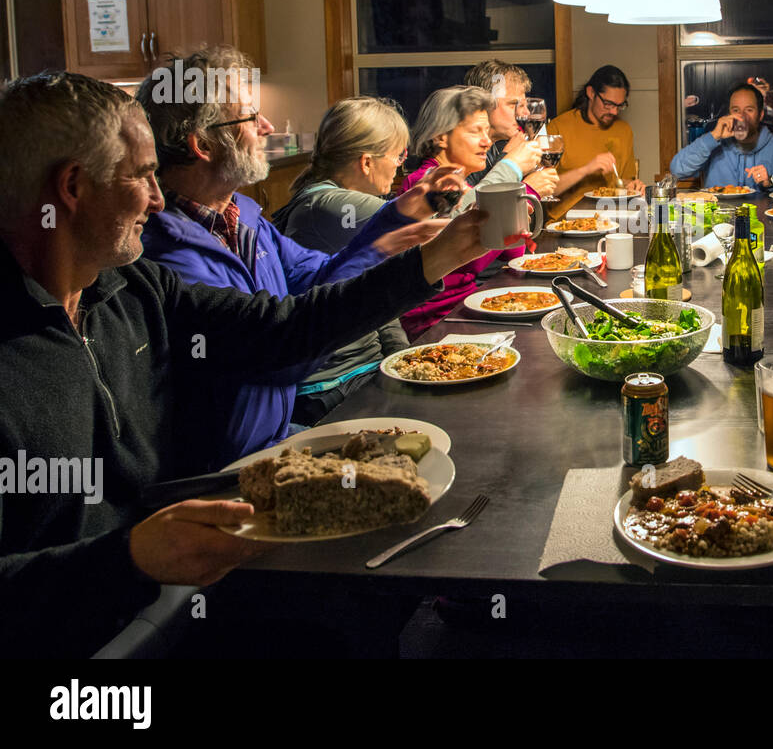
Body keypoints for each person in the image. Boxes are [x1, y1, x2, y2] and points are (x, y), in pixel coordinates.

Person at [0, 71, 493, 657]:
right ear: (73, 187)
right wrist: (128, 556)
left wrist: (434, 255)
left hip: (177, 583)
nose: (157, 200)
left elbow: (284, 328)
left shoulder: (130, 286)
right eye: (142, 174)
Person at [137, 49, 457, 467]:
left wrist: (392, 224)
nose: (267, 127)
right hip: (221, 473)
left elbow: (319, 278)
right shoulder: (164, 253)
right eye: (251, 119)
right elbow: (279, 355)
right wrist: (424, 260)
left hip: (276, 440)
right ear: (203, 144)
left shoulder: (244, 217)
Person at [272, 96, 458, 426]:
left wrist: (402, 359)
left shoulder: (325, 199)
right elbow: (446, 226)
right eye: (397, 155)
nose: (400, 167)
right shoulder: (331, 205)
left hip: (361, 370)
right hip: (330, 388)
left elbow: (377, 299)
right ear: (366, 162)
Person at [400, 85, 535, 339]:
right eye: (476, 132)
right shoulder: (423, 184)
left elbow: (513, 252)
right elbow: (457, 257)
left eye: (487, 131)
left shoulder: (466, 185)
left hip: (467, 310)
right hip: (434, 325)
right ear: (440, 137)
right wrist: (510, 170)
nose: (486, 141)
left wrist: (512, 218)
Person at [547, 65, 645, 218]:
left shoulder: (624, 130)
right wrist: (586, 169)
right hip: (564, 221)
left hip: (612, 218)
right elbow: (546, 190)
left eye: (620, 106)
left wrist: (632, 186)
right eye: (608, 104)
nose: (614, 112)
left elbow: (623, 180)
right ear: (591, 92)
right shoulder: (558, 127)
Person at [462, 59, 557, 196]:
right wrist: (507, 159)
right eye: (513, 104)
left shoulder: (504, 145)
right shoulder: (461, 152)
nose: (526, 113)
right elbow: (472, 208)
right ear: (482, 104)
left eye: (524, 105)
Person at [668, 81, 773, 190]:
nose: (742, 116)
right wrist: (713, 136)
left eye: (749, 110)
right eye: (736, 110)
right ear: (729, 114)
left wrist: (769, 182)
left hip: (761, 212)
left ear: (760, 115)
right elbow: (678, 170)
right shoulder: (713, 143)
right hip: (717, 211)